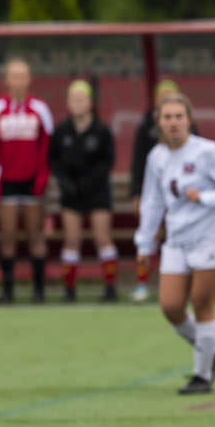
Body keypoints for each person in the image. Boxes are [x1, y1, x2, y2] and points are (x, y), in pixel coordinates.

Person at [136, 90, 215, 395]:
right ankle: (210, 349)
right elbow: (152, 202)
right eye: (167, 117)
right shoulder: (156, 157)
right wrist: (144, 245)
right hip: (178, 237)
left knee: (201, 302)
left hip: (212, 234)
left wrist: (204, 197)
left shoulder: (208, 152)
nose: (173, 123)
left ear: (189, 120)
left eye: (179, 117)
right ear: (158, 121)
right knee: (170, 306)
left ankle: (202, 375)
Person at [0, 57, 53, 303]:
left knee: (35, 235)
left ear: (29, 79)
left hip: (32, 182)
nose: (19, 81)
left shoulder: (40, 109)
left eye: (23, 76)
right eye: (15, 76)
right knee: (8, 236)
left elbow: (46, 146)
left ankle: (39, 291)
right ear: (6, 80)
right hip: (7, 182)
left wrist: (42, 176)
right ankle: (8, 291)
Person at [50, 79, 119, 303]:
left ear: (90, 102)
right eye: (74, 100)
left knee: (102, 237)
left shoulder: (102, 131)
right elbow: (54, 161)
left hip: (97, 191)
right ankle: (70, 290)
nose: (78, 104)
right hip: (71, 193)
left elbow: (107, 162)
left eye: (82, 99)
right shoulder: (61, 131)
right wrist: (66, 183)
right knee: (71, 240)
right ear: (68, 103)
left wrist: (90, 182)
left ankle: (110, 288)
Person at [129, 80, 181, 301]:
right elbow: (138, 162)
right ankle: (142, 283)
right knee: (148, 234)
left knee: (176, 235)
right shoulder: (146, 129)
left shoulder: (189, 131)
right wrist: (136, 193)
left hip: (179, 194)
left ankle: (177, 283)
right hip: (154, 194)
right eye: (163, 96)